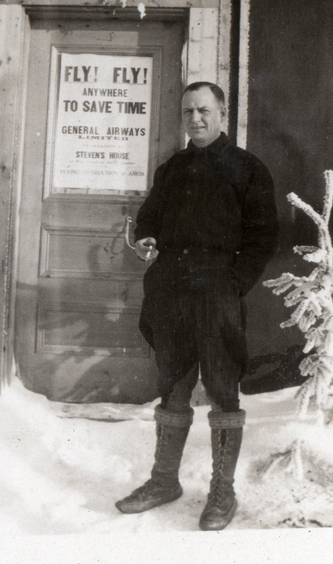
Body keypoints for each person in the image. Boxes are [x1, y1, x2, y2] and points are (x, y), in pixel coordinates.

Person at [115, 81, 279, 530]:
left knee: (224, 391)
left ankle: (222, 493)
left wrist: (233, 285)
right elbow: (150, 217)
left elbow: (264, 236)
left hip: (217, 292)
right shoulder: (172, 169)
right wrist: (147, 234)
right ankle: (164, 481)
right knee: (172, 387)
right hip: (171, 291)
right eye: (188, 111)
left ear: (223, 113)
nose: (196, 119)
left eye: (205, 110)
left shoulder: (247, 168)